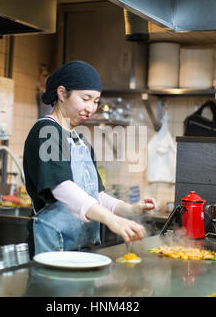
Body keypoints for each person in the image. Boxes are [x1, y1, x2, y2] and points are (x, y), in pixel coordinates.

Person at [23, 61, 157, 256]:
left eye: (95, 101)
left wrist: (130, 209)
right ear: (61, 93)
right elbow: (62, 188)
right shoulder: (46, 131)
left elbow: (95, 195)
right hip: (54, 247)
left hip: (84, 247)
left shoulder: (80, 140)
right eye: (85, 99)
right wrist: (111, 220)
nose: (91, 108)